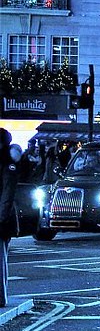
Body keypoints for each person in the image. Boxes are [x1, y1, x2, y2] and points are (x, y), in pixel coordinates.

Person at [1, 128, 23, 308]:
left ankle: (1, 297)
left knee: (0, 260)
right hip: (3, 218)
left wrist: (0, 219)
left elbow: (7, 195)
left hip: (3, 219)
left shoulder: (8, 165)